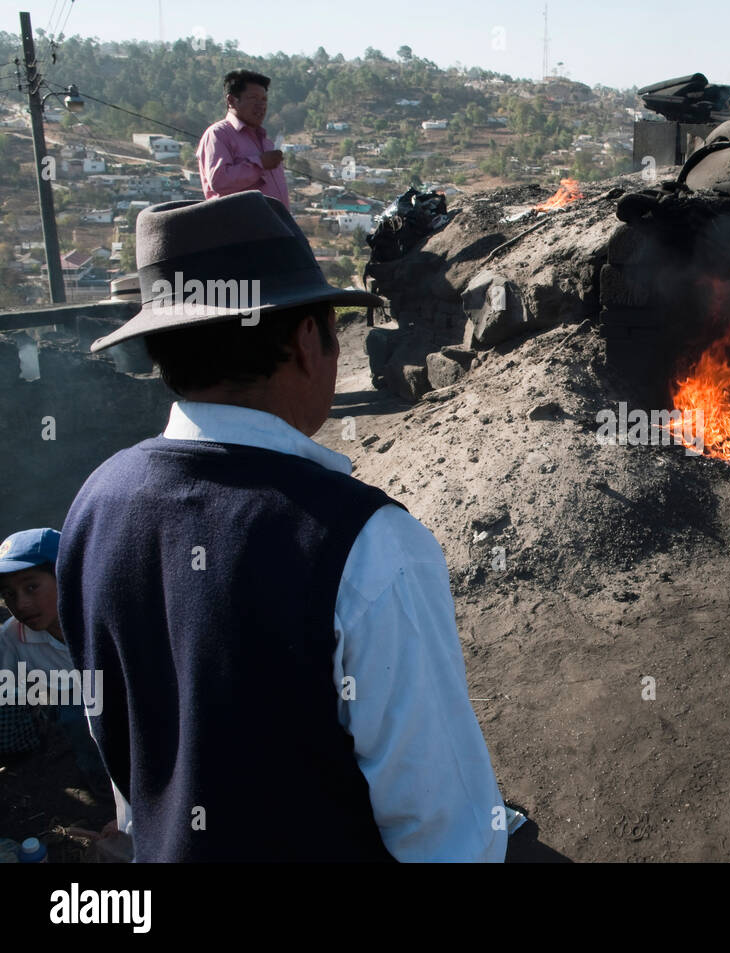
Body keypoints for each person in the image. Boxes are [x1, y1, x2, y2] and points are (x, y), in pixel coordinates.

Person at [58, 191, 507, 862]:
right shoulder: (367, 545)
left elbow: (135, 760)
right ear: (306, 341)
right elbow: (449, 835)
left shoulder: (91, 510)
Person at [0, 528, 109, 793]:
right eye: (9, 594)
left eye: (31, 587)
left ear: (68, 576)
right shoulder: (13, 636)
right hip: (68, 695)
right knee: (76, 718)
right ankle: (99, 780)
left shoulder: (104, 613)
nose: (21, 603)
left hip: (118, 685)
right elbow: (7, 688)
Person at [195, 69, 289, 207]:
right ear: (231, 100)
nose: (261, 105)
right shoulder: (218, 134)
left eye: (264, 100)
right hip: (239, 226)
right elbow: (219, 181)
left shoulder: (265, 141)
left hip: (275, 225)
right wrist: (260, 164)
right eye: (253, 98)